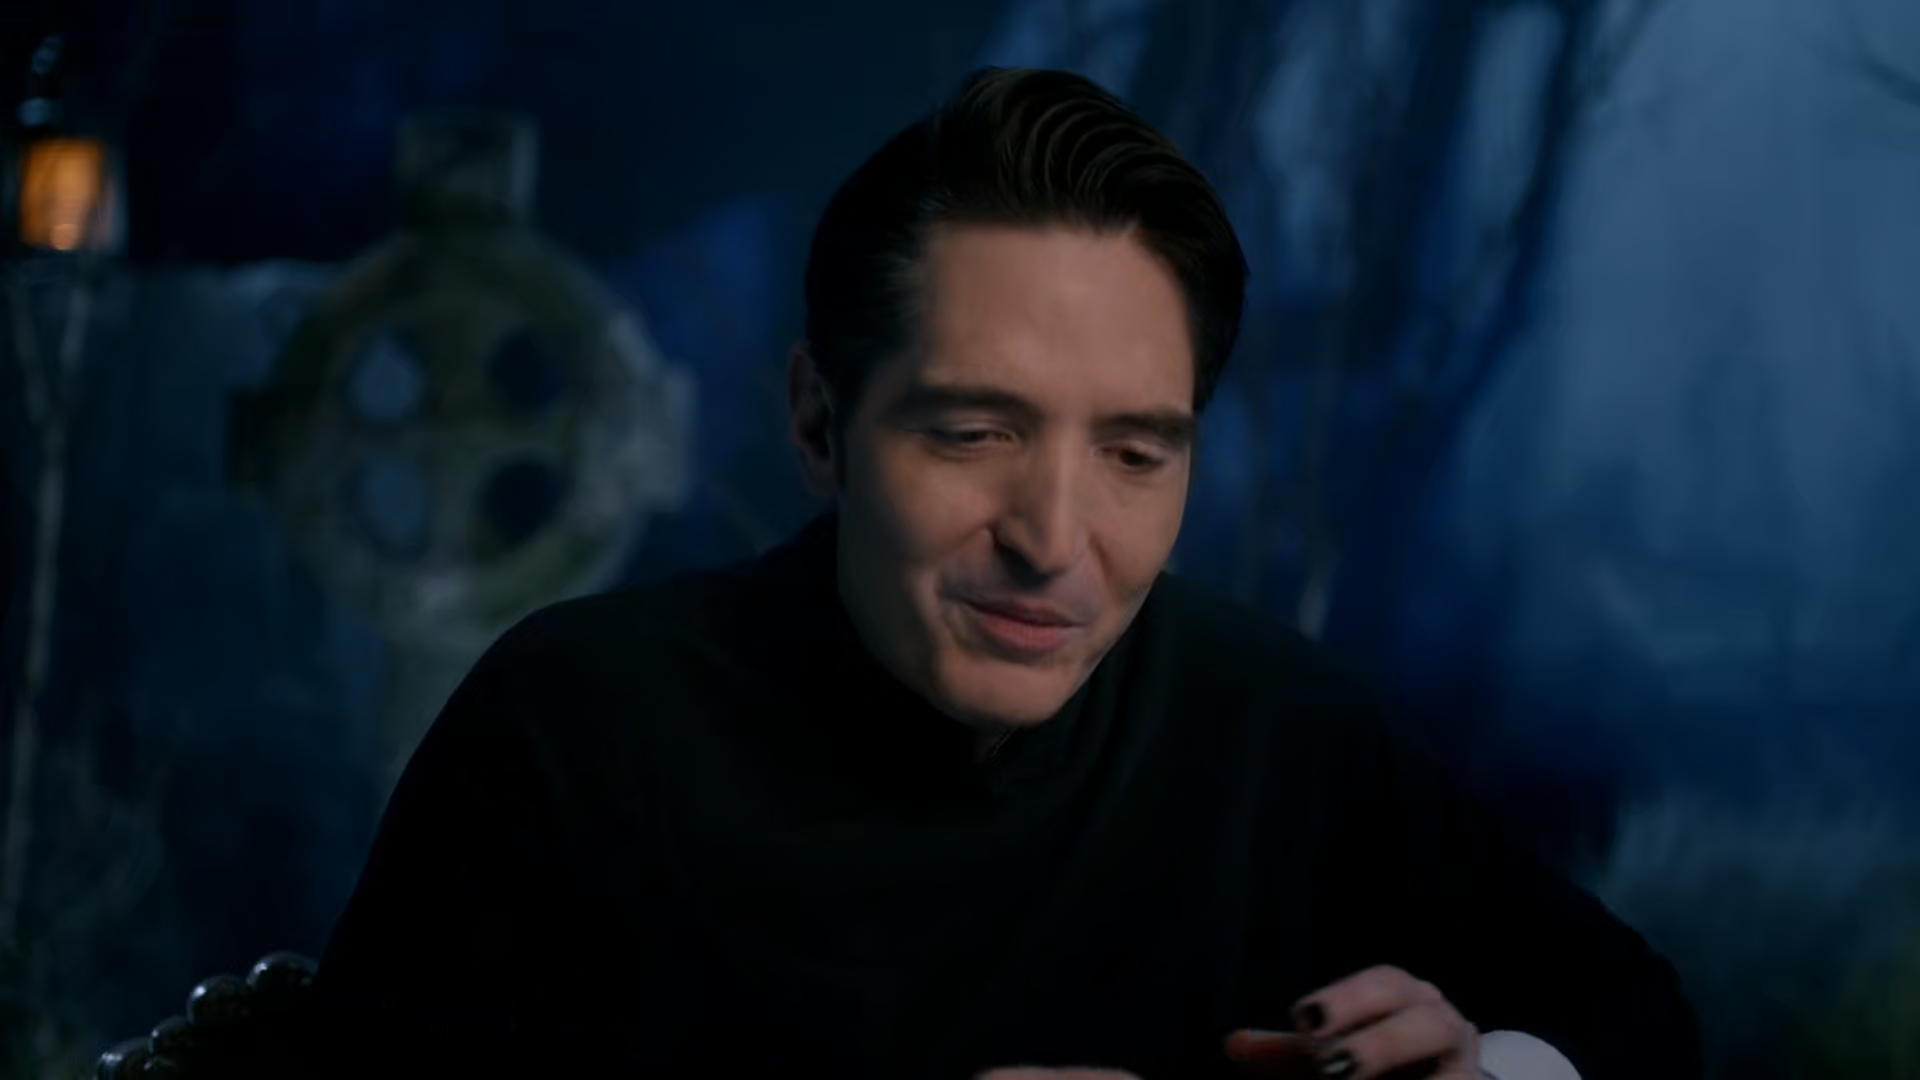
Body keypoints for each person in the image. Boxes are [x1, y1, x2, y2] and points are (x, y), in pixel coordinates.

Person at [311, 67, 1701, 1080]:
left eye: (1136, 455)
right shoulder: (575, 726)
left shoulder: (1272, 723)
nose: (1053, 538)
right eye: (974, 433)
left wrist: (1488, 1071)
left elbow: (1634, 1014)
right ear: (818, 424)